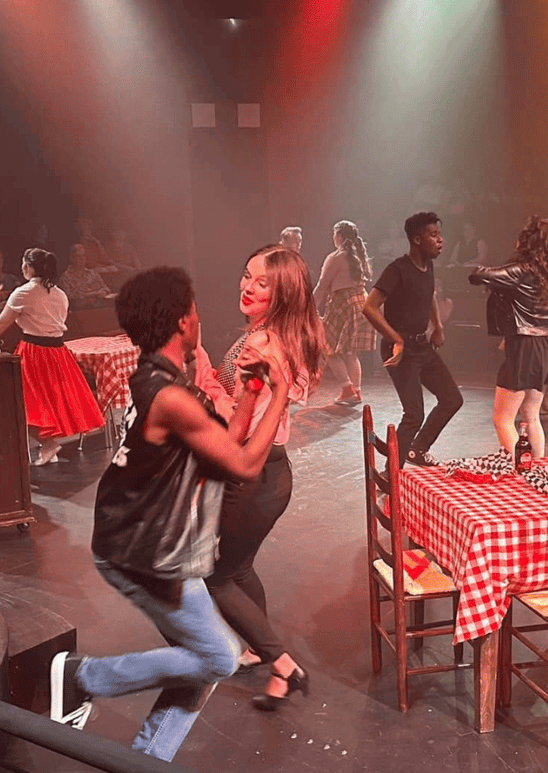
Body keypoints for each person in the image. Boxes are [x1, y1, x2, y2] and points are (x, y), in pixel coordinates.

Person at [49, 266, 293, 759]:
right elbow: (244, 465)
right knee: (220, 658)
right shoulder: (169, 396)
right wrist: (281, 393)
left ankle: (148, 759)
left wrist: (249, 393)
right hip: (139, 551)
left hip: (160, 546)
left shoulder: (165, 383)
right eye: (196, 310)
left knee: (197, 661)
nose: (200, 317)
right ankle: (81, 676)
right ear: (184, 322)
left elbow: (225, 443)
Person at [196, 244, 324, 711]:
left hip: (252, 476)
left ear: (284, 293)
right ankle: (260, 650)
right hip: (272, 474)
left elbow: (239, 426)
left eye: (261, 282)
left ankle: (284, 665)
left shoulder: (262, 344)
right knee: (239, 567)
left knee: (218, 577)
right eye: (246, 276)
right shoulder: (283, 333)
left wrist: (205, 380)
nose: (247, 287)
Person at [362, 212, 463, 466]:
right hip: (401, 349)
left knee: (452, 399)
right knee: (414, 414)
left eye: (440, 234)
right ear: (417, 240)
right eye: (434, 235)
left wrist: (438, 325)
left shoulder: (428, 265)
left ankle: (416, 450)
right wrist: (395, 338)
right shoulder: (397, 269)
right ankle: (390, 476)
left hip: (422, 346)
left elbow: (428, 294)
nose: (441, 240)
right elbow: (369, 307)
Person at [0, 249, 104, 465]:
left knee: (24, 401)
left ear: (31, 268)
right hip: (57, 352)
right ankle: (48, 444)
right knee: (48, 403)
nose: (22, 268)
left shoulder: (24, 292)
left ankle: (48, 443)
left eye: (24, 264)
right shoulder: (60, 294)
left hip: (34, 352)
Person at [469, 217, 548, 459]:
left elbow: (477, 275)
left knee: (502, 419)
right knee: (532, 416)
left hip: (526, 344)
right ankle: (538, 470)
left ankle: (522, 474)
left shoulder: (522, 271)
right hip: (547, 342)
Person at [313, 220, 376, 404]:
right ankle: (356, 391)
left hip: (344, 303)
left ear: (339, 236)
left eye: (334, 235)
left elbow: (322, 285)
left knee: (328, 346)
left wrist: (310, 306)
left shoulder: (337, 257)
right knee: (350, 352)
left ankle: (348, 389)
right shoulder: (357, 256)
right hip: (361, 301)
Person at [58, 243, 115, 309]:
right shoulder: (66, 277)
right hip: (78, 312)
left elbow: (105, 287)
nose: (82, 259)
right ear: (72, 258)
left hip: (98, 309)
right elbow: (69, 297)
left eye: (83, 256)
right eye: (78, 256)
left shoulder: (93, 273)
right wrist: (93, 294)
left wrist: (104, 292)